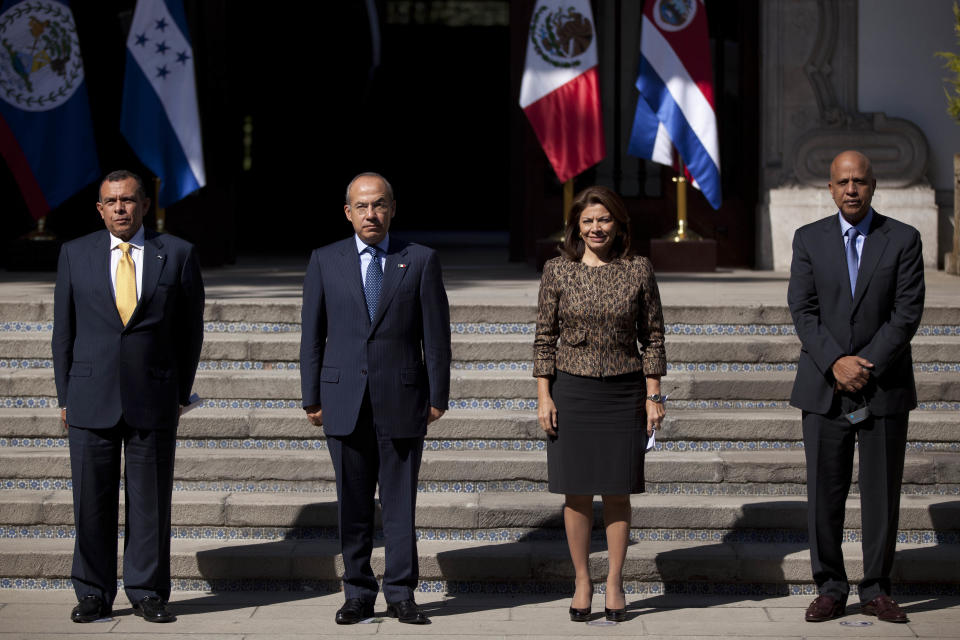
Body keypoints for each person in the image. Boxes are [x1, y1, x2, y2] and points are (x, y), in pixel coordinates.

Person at [51, 170, 205, 624]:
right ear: (99, 208)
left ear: (144, 205)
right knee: (91, 501)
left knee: (150, 503)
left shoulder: (176, 253)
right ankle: (93, 593)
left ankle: (147, 591)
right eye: (111, 201)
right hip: (89, 396)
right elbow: (64, 333)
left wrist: (178, 391)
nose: (120, 208)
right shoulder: (74, 254)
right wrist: (65, 395)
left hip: (153, 398)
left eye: (129, 200)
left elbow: (189, 331)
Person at [300, 172, 451, 625]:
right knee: (353, 503)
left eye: (379, 205)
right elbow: (312, 336)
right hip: (342, 399)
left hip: (402, 398)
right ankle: (358, 592)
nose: (371, 214)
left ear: (393, 209)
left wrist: (438, 395)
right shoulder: (325, 260)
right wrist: (311, 397)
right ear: (347, 212)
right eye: (362, 206)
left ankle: (402, 592)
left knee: (401, 503)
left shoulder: (419, 260)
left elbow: (436, 338)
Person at [788, 150, 924, 624]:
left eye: (860, 181)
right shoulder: (808, 239)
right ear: (829, 188)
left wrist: (863, 365)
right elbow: (803, 310)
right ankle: (830, 585)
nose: (851, 189)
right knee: (824, 493)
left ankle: (877, 587)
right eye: (843, 181)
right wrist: (835, 362)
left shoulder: (903, 239)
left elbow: (905, 314)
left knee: (880, 493)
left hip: (882, 387)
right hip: (824, 389)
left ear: (873, 186)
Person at [534, 186, 666, 623]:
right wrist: (544, 395)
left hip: (624, 391)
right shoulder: (557, 270)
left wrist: (653, 395)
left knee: (616, 492)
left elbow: (653, 337)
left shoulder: (638, 269)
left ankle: (613, 581)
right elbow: (544, 339)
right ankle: (581, 580)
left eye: (604, 219)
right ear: (576, 226)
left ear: (619, 224)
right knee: (575, 494)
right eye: (588, 220)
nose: (596, 228)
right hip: (572, 390)